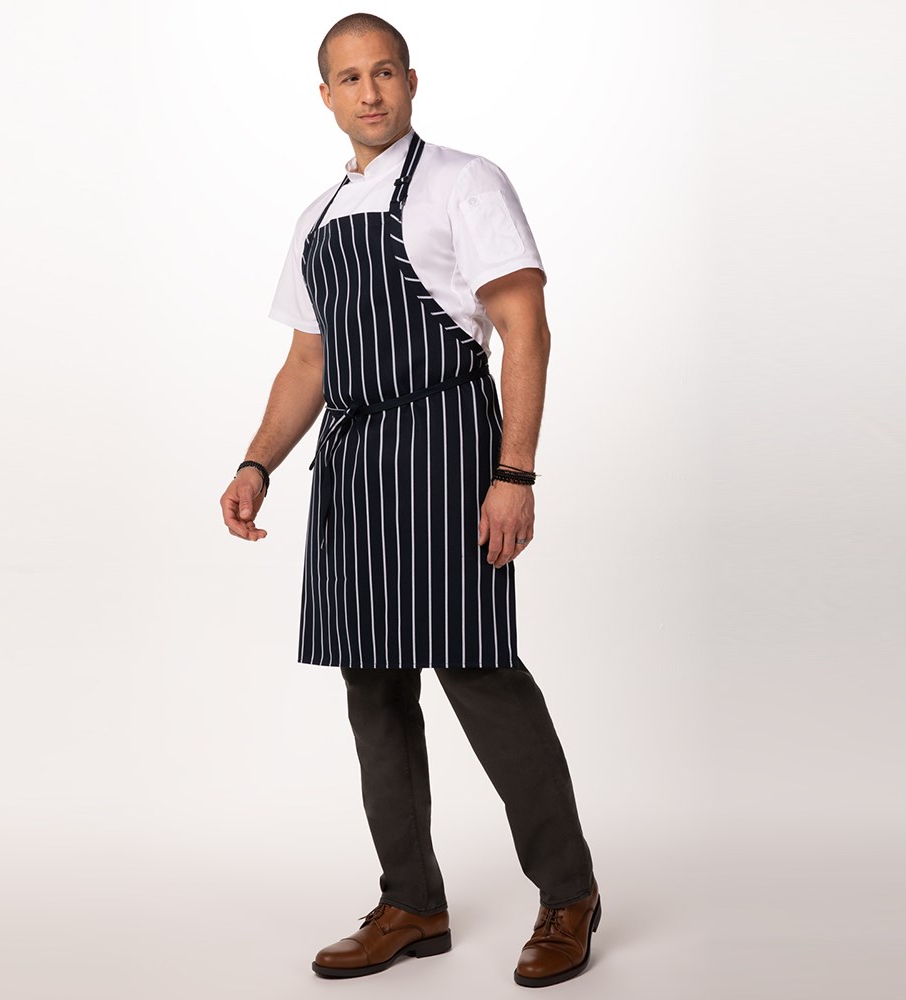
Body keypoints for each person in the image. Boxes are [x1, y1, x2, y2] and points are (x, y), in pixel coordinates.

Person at [220, 12, 601, 989]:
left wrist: (514, 473)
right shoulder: (316, 219)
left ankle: (568, 895)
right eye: (350, 78)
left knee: (480, 672)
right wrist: (257, 461)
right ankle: (412, 902)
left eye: (384, 71)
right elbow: (309, 361)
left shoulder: (464, 183)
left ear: (411, 79)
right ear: (326, 96)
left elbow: (524, 326)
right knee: (374, 687)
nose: (370, 92)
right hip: (354, 465)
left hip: (447, 445)